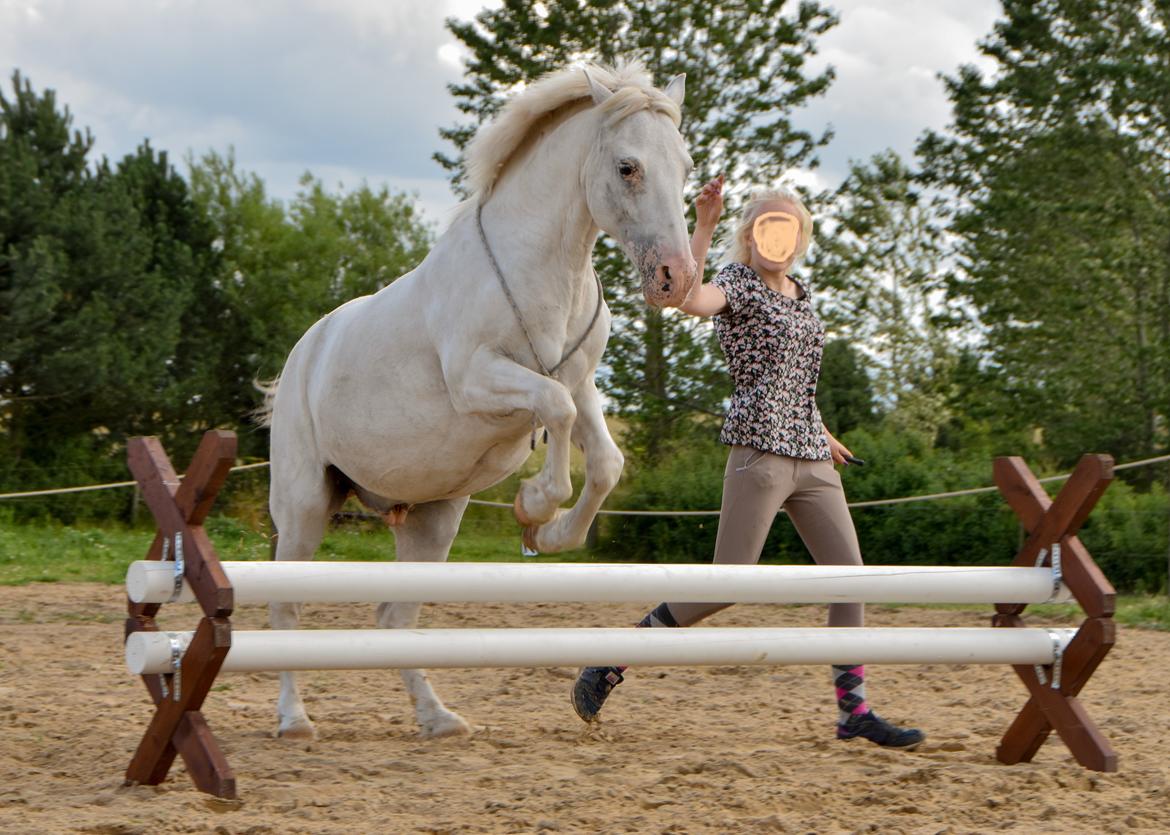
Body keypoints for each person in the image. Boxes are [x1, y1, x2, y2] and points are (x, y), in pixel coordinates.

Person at [570, 175, 925, 749]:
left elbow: (798, 382)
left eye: (787, 227)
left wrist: (823, 431)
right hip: (759, 453)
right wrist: (703, 222)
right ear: (750, 235)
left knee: (851, 580)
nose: (775, 237)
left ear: (801, 238)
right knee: (724, 586)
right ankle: (614, 659)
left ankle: (853, 712)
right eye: (765, 226)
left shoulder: (804, 295)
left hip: (812, 458)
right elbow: (685, 299)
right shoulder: (737, 283)